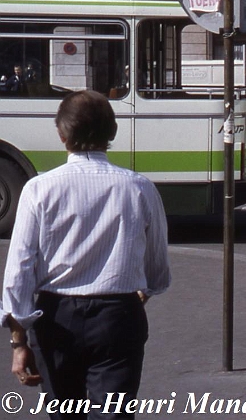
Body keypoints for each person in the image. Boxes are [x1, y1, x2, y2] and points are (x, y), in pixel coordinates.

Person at [1, 90, 171, 413]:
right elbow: (158, 270)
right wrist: (136, 296)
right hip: (118, 316)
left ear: (62, 135)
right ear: (112, 133)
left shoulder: (38, 190)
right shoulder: (140, 188)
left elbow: (19, 270)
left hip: (55, 316)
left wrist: (19, 341)